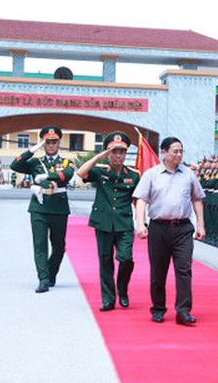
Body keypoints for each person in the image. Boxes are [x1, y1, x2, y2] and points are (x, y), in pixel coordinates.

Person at [133, 137, 206, 326]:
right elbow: (141, 200)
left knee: (184, 270)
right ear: (164, 152)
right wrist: (141, 224)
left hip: (182, 228)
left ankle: (183, 311)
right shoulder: (151, 174)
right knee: (158, 272)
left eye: (181, 151)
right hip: (159, 228)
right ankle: (158, 308)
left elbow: (197, 198)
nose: (179, 155)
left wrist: (200, 224)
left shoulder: (188, 174)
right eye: (175, 151)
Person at [76, 132, 141, 312]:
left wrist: (142, 221)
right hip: (103, 222)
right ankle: (108, 299)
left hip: (124, 223)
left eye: (121, 152)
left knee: (126, 258)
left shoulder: (134, 176)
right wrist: (99, 156)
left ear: (126, 154)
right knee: (105, 261)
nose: (118, 156)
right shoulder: (100, 171)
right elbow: (81, 172)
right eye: (114, 152)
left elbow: (139, 199)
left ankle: (123, 289)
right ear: (108, 153)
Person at [10, 126, 75, 293]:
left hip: (59, 208)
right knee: (40, 245)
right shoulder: (35, 162)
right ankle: (43, 279)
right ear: (43, 144)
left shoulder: (67, 162)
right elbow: (14, 165)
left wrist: (47, 176)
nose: (51, 145)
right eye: (48, 142)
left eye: (54, 142)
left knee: (59, 246)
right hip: (38, 207)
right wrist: (32, 150)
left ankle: (51, 273)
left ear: (59, 143)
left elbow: (67, 175)